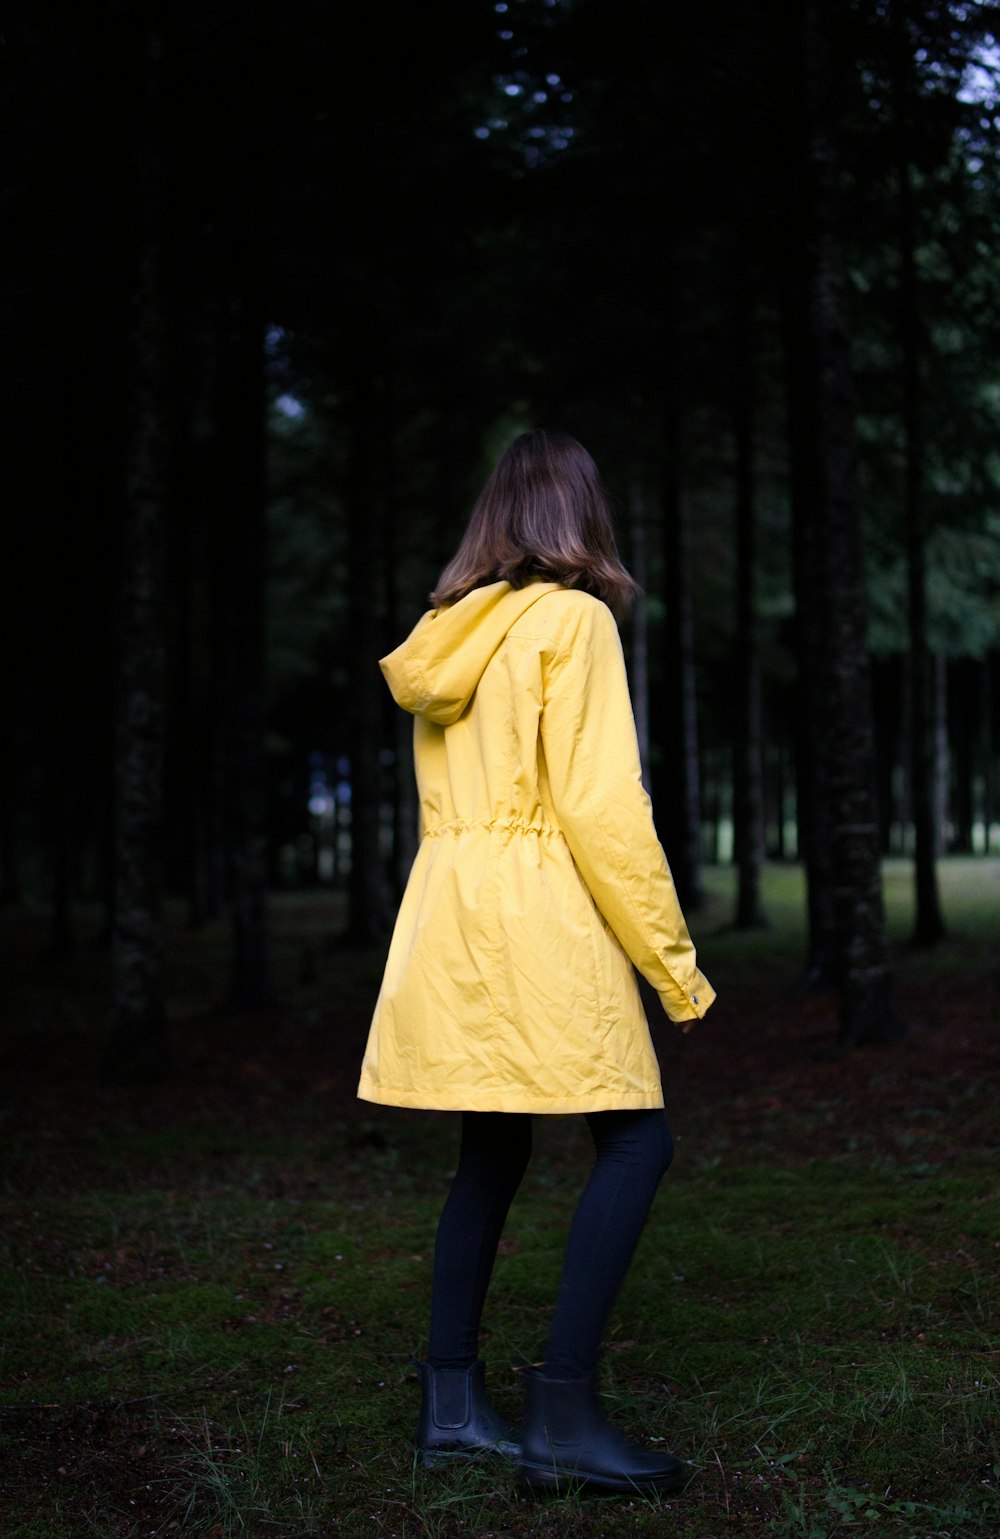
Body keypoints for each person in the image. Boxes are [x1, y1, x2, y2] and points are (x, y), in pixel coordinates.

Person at [357, 429, 715, 1496]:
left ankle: (452, 1407)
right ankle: (559, 1411)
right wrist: (674, 966)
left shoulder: (445, 634)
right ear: (582, 517)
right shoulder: (574, 621)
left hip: (452, 917)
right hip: (542, 917)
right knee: (636, 1144)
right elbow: (601, 806)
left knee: (492, 1154)